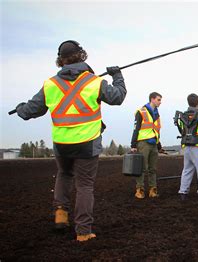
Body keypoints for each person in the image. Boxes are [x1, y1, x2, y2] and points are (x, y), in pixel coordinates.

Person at [14, 40, 126, 241]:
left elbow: (31, 111)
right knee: (84, 186)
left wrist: (21, 107)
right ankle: (83, 231)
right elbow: (117, 97)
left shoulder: (50, 84)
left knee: (64, 174)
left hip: (61, 143)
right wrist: (117, 75)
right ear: (82, 56)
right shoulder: (94, 81)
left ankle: (60, 214)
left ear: (60, 60)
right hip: (87, 142)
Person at [130, 92, 163, 199]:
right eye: (158, 100)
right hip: (143, 143)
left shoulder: (157, 114)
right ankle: (140, 190)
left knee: (153, 169)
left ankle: (153, 190)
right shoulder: (141, 112)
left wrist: (159, 146)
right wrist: (133, 144)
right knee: (142, 168)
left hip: (154, 144)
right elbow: (136, 128)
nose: (160, 102)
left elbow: (156, 131)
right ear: (152, 99)